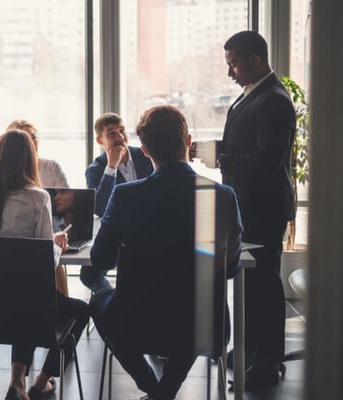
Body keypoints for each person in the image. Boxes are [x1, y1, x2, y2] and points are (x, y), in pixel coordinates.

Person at [89, 105, 243, 400]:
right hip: (204, 324)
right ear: (188, 141)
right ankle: (166, 390)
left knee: (99, 303)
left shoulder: (126, 197)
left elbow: (99, 260)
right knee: (194, 308)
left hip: (137, 321)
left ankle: (153, 388)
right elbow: (232, 268)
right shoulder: (221, 196)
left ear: (144, 150)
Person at [198, 30, 296, 390]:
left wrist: (223, 158)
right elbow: (248, 144)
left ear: (256, 59)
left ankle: (268, 363)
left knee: (265, 286)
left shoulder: (274, 100)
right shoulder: (251, 96)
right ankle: (253, 353)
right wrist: (212, 150)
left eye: (233, 63)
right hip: (247, 203)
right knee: (251, 285)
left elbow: (268, 159)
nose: (230, 73)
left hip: (263, 207)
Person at [0, 130, 89, 400]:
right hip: (27, 306)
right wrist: (56, 244)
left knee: (26, 296)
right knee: (74, 310)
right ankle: (41, 381)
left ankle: (16, 383)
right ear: (30, 160)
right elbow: (43, 260)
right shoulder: (37, 197)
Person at [82, 113, 154, 292]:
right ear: (100, 140)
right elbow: (99, 208)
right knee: (89, 274)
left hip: (149, 227)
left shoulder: (146, 156)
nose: (120, 137)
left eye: (122, 131)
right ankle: (112, 299)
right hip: (118, 232)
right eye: (112, 133)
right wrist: (111, 167)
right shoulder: (95, 169)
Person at [6, 120, 69, 188]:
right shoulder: (6, 172)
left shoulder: (52, 167)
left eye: (33, 137)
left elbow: (67, 195)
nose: (32, 143)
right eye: (26, 140)